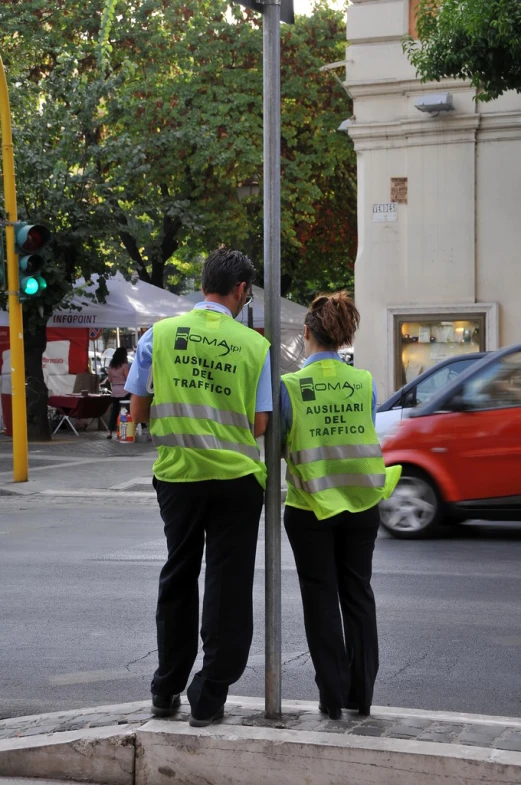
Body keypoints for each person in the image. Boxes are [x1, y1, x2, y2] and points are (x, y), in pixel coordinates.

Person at [124, 248, 272, 727]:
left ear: (203, 285)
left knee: (179, 577)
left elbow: (139, 413)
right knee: (228, 586)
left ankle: (166, 689)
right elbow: (261, 423)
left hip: (178, 477)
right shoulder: (255, 346)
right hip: (236, 480)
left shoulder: (158, 336)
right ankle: (208, 698)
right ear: (241, 291)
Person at [280, 291, 400, 719]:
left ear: (308, 333)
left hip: (310, 508)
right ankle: (361, 696)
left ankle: (332, 696)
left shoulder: (290, 387)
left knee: (320, 599)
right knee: (358, 595)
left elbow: (279, 446)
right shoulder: (364, 383)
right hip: (362, 504)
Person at [106, 347, 130, 439]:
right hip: (124, 391)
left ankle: (109, 432)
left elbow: (109, 379)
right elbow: (128, 378)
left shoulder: (111, 366)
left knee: (114, 412)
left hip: (115, 391)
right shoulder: (124, 366)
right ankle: (124, 431)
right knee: (125, 412)